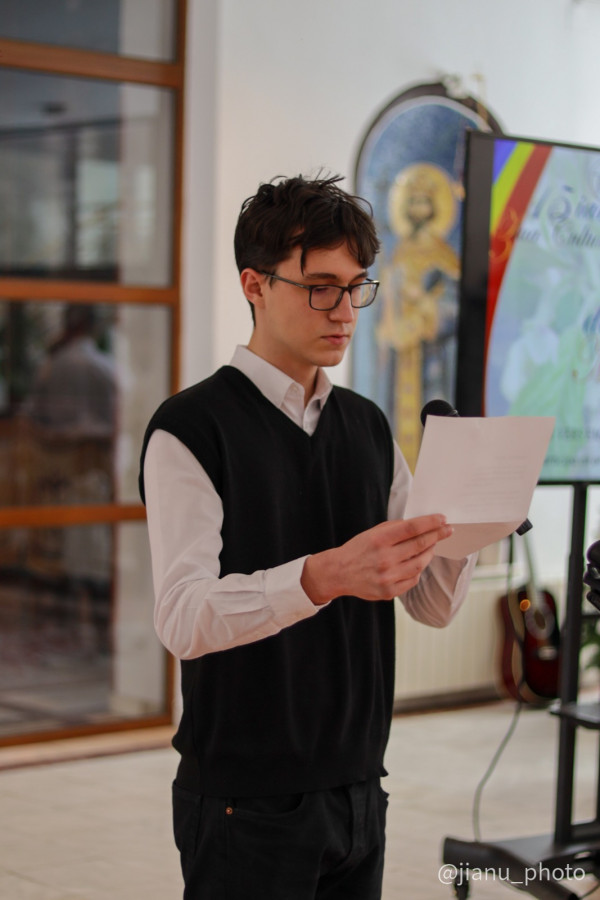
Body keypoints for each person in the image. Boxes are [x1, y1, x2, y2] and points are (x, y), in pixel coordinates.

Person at [139, 174, 475, 900]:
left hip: (360, 787)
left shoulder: (368, 426)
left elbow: (432, 606)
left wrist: (468, 517)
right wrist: (322, 577)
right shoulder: (191, 428)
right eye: (321, 288)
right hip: (245, 799)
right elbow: (183, 618)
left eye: (356, 288)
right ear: (254, 285)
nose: (345, 311)